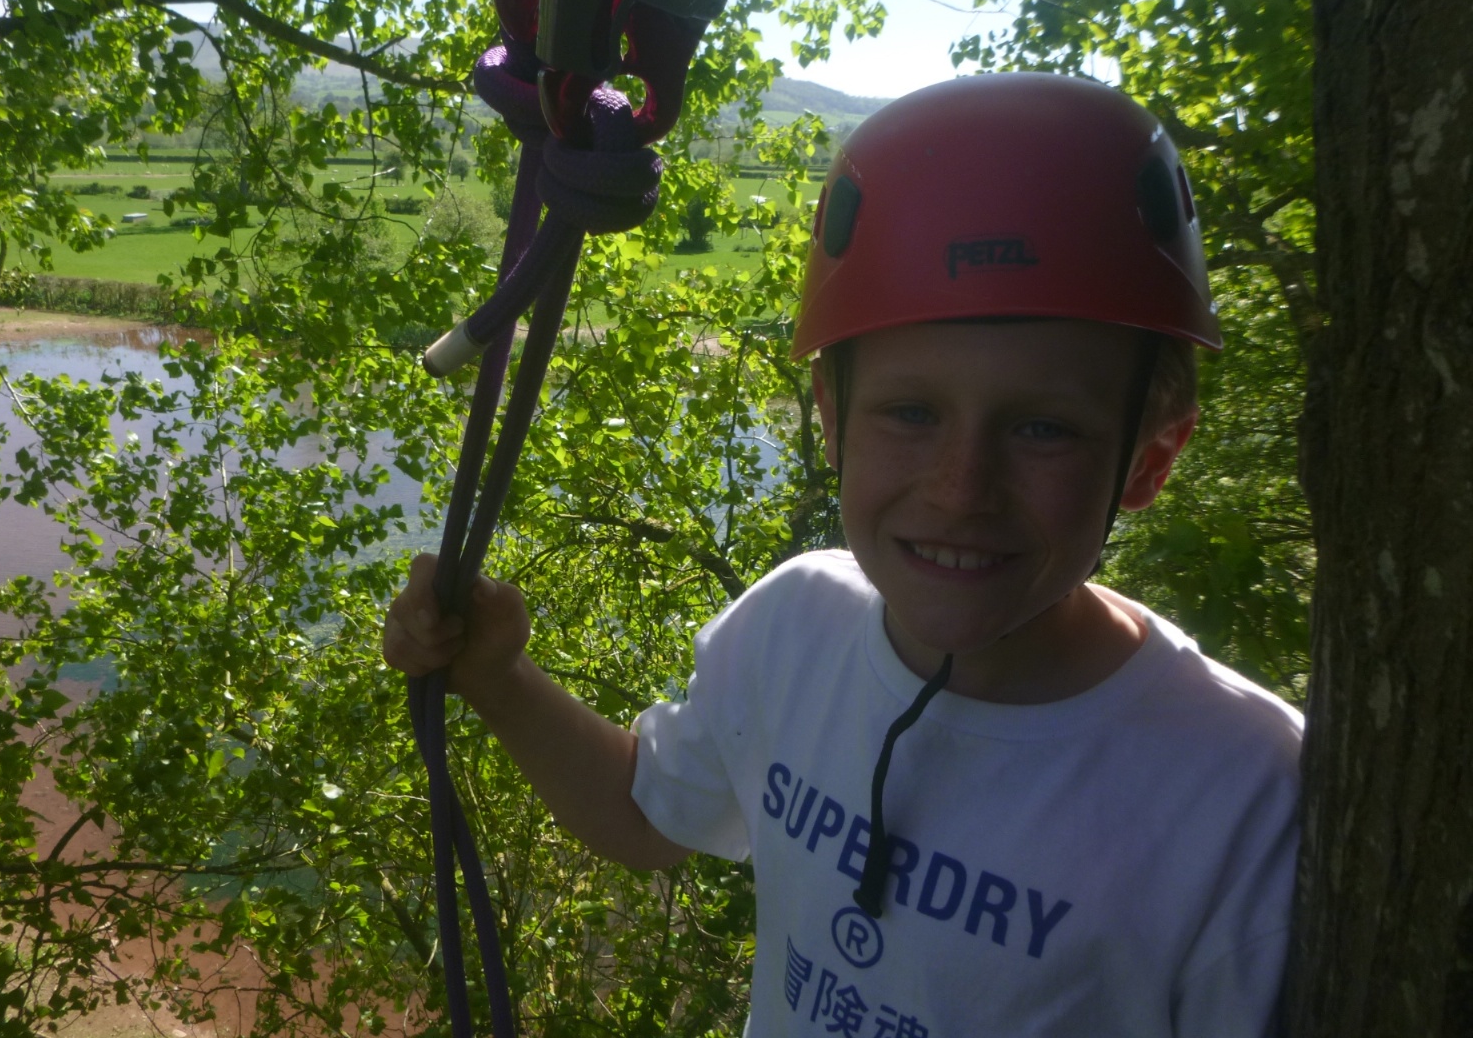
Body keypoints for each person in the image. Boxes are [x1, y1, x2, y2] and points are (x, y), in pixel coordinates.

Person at [384, 73, 1303, 1036]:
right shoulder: (794, 626)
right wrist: (497, 678)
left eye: (1043, 429)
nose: (960, 490)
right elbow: (647, 816)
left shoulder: (1242, 799)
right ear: (832, 418)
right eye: (910, 413)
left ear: (1149, 458)